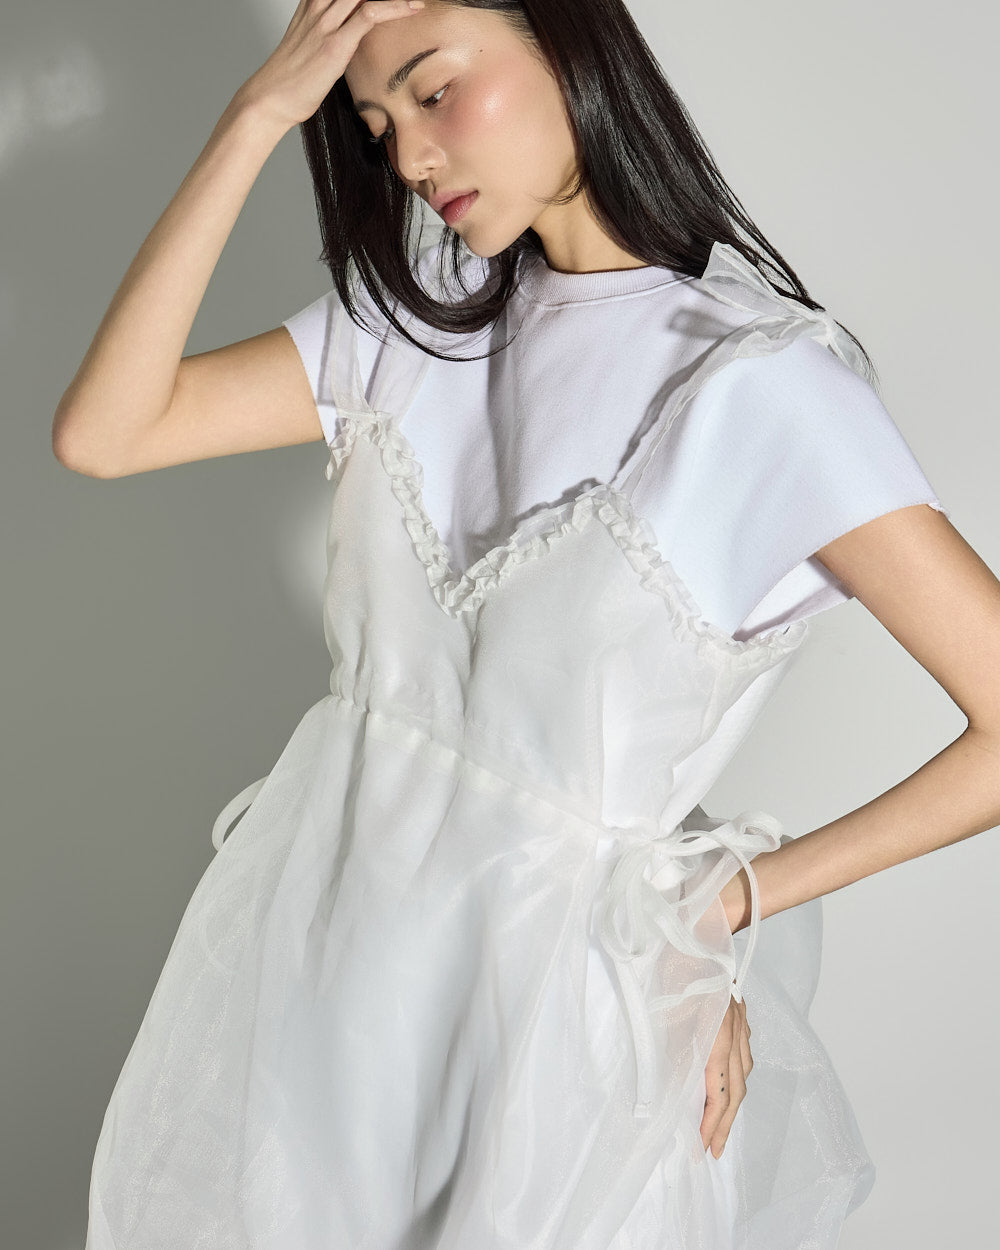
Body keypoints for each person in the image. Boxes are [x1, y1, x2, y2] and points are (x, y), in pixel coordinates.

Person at [53, 2, 1000, 1247]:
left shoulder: (763, 390)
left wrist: (719, 906)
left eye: (433, 92)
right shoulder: (408, 327)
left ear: (567, 42)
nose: (408, 157)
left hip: (560, 1041)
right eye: (373, 123)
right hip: (328, 974)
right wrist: (257, 116)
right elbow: (106, 431)